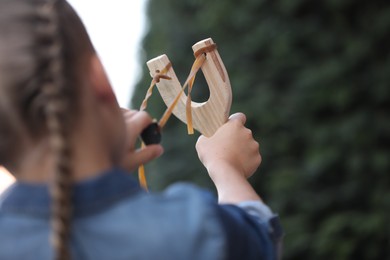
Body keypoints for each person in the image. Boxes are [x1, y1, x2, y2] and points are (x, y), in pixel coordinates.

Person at [0, 0, 283, 259]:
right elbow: (260, 238)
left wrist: (104, 167)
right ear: (97, 77)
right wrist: (227, 166)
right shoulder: (184, 228)